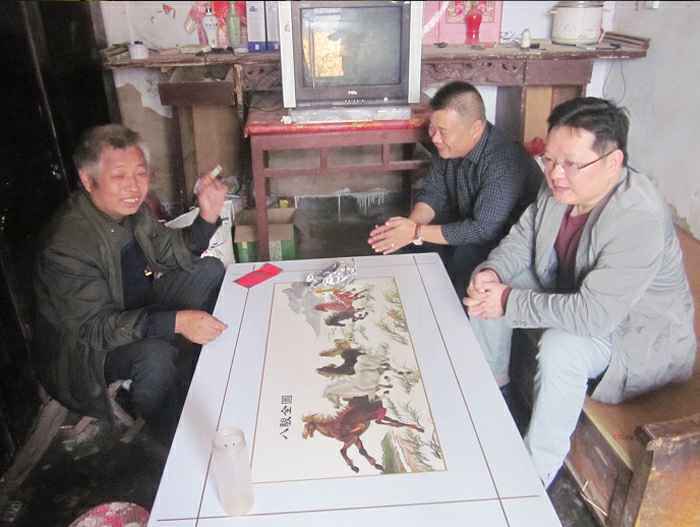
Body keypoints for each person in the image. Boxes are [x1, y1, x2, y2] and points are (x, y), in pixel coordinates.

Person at [464, 97, 696, 487]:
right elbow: (522, 238)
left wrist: (506, 301)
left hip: (633, 336)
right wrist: (493, 271)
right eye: (549, 159)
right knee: (486, 283)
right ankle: (495, 394)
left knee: (562, 347)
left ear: (613, 162)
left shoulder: (637, 217)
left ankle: (534, 475)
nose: (556, 173)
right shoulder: (562, 185)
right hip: (576, 292)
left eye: (571, 163)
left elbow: (594, 316)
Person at [33, 124, 229, 442]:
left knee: (208, 270)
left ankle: (202, 368)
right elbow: (96, 329)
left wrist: (207, 216)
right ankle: (171, 438)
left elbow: (170, 251)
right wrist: (177, 321)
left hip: (137, 309)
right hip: (88, 352)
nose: (133, 187)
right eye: (119, 176)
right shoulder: (66, 245)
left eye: (140, 173)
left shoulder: (132, 213)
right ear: (88, 180)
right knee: (155, 356)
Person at [368, 81, 542, 295]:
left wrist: (416, 232)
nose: (435, 138)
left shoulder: (503, 160)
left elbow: (483, 230)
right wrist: (408, 228)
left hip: (504, 243)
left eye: (443, 131)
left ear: (475, 129)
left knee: (463, 258)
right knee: (389, 239)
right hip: (464, 225)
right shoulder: (448, 146)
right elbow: (433, 193)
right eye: (432, 128)